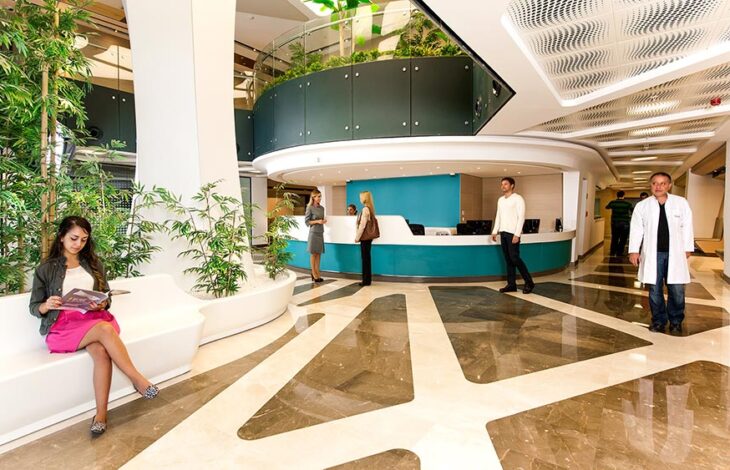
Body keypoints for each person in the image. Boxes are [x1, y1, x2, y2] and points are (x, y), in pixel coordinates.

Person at [29, 216, 158, 436]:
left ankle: (101, 415)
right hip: (62, 326)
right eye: (73, 238)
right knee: (105, 329)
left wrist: (102, 303)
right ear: (61, 237)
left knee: (101, 353)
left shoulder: (94, 263)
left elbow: (106, 295)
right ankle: (137, 380)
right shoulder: (46, 269)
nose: (78, 244)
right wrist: (46, 305)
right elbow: (34, 307)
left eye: (84, 239)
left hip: (91, 318)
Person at [628, 172, 694, 334]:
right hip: (653, 254)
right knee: (654, 290)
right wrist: (634, 250)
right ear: (650, 185)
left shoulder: (681, 203)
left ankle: (676, 321)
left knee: (677, 290)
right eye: (655, 183)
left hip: (675, 253)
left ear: (669, 186)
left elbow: (687, 226)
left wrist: (687, 247)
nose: (658, 187)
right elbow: (636, 229)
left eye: (663, 183)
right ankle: (658, 321)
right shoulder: (642, 206)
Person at [491, 177, 534, 294]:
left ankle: (529, 282)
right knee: (508, 260)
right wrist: (495, 231)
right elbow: (498, 216)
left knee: (515, 258)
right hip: (503, 232)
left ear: (512, 185)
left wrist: (517, 234)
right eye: (502, 184)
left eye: (505, 184)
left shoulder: (518, 199)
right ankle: (511, 285)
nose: (503, 186)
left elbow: (521, 217)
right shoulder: (500, 200)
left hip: (513, 233)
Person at [304, 189, 326, 282]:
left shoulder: (322, 208)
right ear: (313, 197)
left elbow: (321, 219)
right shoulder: (309, 207)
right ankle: (313, 274)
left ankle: (317, 273)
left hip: (320, 232)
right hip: (313, 233)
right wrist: (317, 221)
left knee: (319, 254)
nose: (320, 198)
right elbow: (307, 222)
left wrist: (323, 221)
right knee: (313, 254)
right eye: (318, 196)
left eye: (320, 196)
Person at [355, 191, 376, 286]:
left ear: (364, 198)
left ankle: (366, 281)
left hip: (364, 238)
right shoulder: (370, 209)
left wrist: (357, 237)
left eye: (360, 197)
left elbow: (362, 225)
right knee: (367, 258)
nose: (360, 199)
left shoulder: (365, 209)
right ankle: (367, 280)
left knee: (365, 259)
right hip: (368, 238)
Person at [606, 190, 633, 257]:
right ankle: (619, 252)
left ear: (617, 195)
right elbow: (633, 210)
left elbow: (607, 207)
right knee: (623, 239)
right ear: (623, 195)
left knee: (614, 238)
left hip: (615, 223)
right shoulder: (627, 203)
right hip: (625, 223)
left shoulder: (613, 202)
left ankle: (613, 252)